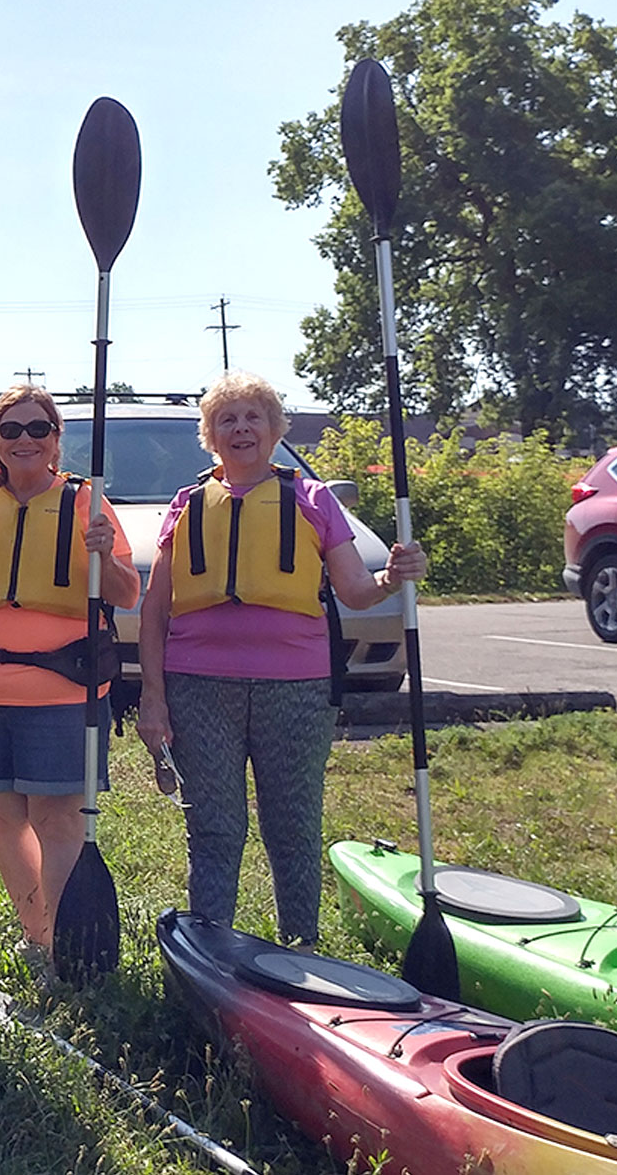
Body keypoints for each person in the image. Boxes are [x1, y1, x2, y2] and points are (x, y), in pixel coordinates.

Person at [135, 371, 428, 945]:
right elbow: (155, 612)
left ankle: (302, 949)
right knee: (215, 827)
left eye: (254, 417)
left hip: (294, 689)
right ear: (210, 435)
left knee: (292, 825)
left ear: (275, 430)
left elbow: (355, 591)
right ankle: (213, 945)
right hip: (199, 687)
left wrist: (393, 576)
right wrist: (153, 697)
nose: (241, 428)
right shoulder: (186, 504)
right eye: (227, 419)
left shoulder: (312, 499)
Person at [0, 386, 140, 968]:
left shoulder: (86, 505)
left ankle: (69, 943)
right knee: (3, 815)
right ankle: (37, 933)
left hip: (61, 692)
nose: (25, 439)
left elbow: (125, 594)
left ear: (55, 439)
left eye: (38, 428)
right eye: (12, 429)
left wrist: (102, 554)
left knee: (55, 818)